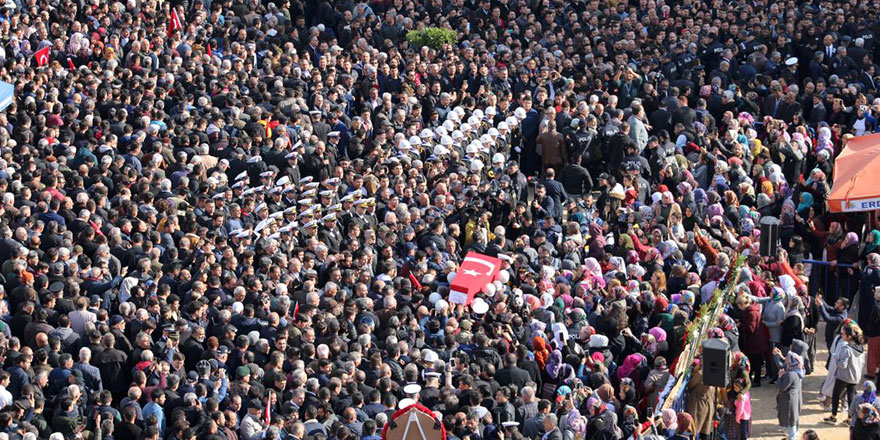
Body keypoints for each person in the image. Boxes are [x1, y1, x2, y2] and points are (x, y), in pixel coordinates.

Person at [825, 323, 867, 425]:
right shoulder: (860, 348)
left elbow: (842, 365)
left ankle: (833, 416)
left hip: (844, 376)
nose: (841, 335)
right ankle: (849, 418)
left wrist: (836, 358)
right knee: (851, 397)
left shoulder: (846, 349)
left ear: (849, 336)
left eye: (843, 334)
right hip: (855, 377)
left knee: (836, 395)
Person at [777, 351, 805, 440]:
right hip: (794, 398)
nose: (786, 360)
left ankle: (792, 437)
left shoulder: (790, 374)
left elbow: (782, 387)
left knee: (790, 419)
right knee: (793, 417)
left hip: (789, 399)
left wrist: (780, 377)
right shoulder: (797, 371)